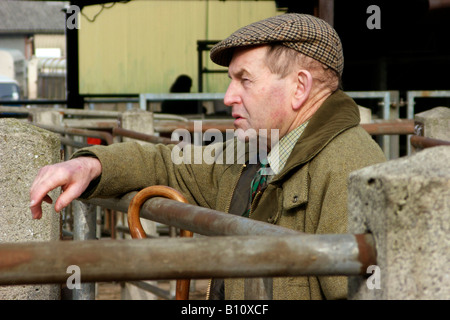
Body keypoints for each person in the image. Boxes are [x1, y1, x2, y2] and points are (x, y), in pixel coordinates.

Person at [30, 13, 386, 300]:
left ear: (299, 87)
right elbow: (168, 163)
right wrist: (92, 164)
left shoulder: (351, 168)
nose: (228, 96)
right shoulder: (256, 152)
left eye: (244, 80)